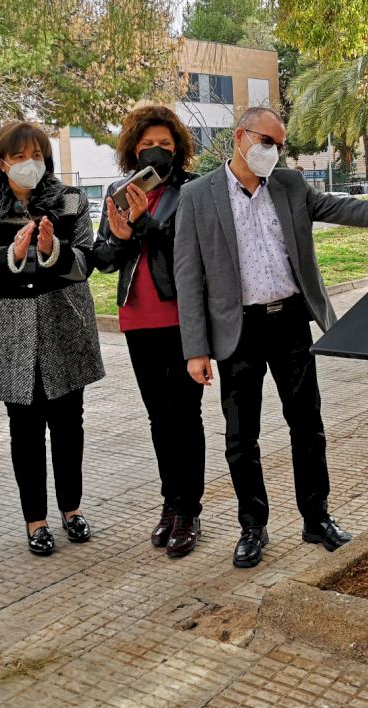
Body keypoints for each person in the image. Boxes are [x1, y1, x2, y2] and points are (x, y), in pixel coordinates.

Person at [174, 105, 368, 569]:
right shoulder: (198, 195)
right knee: (242, 437)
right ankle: (252, 526)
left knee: (307, 427)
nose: (274, 152)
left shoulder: (290, 185)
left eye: (279, 145)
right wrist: (195, 348)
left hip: (290, 324)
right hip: (237, 332)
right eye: (267, 141)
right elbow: (188, 275)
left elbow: (346, 207)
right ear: (240, 137)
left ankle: (316, 517)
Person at [0, 121, 104, 556]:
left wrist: (50, 251)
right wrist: (13, 256)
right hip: (10, 335)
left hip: (65, 327)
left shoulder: (70, 201)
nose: (29, 163)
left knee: (69, 425)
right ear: (1, 162)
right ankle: (35, 520)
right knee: (24, 431)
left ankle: (72, 509)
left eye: (37, 155)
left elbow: (85, 263)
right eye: (19, 156)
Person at [91, 103, 205, 557]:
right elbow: (103, 259)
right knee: (159, 417)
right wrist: (121, 237)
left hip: (180, 318)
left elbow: (190, 251)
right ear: (133, 149)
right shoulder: (118, 192)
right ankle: (170, 504)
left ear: (177, 148)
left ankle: (189, 510)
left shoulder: (192, 191)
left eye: (164, 143)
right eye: (147, 144)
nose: (156, 150)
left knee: (185, 416)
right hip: (137, 318)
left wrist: (145, 224)